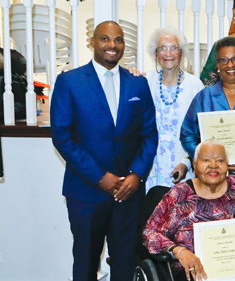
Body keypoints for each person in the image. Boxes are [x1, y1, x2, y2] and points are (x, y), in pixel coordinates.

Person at [51, 21, 157, 281]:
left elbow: (149, 135)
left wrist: (137, 175)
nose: (112, 45)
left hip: (128, 193)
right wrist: (100, 177)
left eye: (118, 40)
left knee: (125, 262)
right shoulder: (70, 82)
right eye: (105, 39)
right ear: (92, 42)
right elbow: (62, 137)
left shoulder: (138, 85)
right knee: (86, 263)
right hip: (87, 193)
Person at [143, 139, 235, 281]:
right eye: (206, 160)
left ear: (227, 165)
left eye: (220, 161)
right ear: (195, 165)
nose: (213, 166)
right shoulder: (179, 194)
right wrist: (179, 251)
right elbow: (150, 233)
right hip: (194, 274)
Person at [181, 37, 235, 176]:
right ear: (217, 64)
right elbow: (187, 134)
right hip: (210, 177)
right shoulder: (203, 97)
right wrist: (206, 158)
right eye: (224, 60)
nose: (230, 65)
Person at [145, 27, 204, 190]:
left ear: (182, 53)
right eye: (162, 48)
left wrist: (186, 162)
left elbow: (200, 131)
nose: (168, 53)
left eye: (173, 48)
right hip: (151, 168)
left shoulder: (195, 85)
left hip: (182, 166)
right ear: (155, 54)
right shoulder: (145, 81)